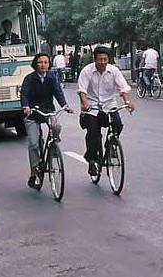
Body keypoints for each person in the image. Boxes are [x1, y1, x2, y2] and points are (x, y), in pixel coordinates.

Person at [77, 46, 134, 176]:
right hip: (92, 107)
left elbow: (123, 88)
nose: (102, 62)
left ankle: (111, 145)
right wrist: (85, 103)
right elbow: (82, 90)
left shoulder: (114, 71)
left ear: (109, 59)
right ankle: (91, 159)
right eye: (99, 59)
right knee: (93, 134)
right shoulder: (87, 71)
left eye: (105, 59)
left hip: (109, 104)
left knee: (118, 125)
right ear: (94, 59)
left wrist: (127, 102)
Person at [20, 53, 73, 189]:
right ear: (35, 64)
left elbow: (58, 93)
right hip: (33, 112)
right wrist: (26, 107)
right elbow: (24, 94)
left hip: (48, 110)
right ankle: (34, 170)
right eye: (40, 62)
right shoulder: (29, 79)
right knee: (33, 143)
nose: (43, 65)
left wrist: (65, 106)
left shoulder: (51, 77)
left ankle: (54, 145)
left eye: (46, 62)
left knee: (56, 126)